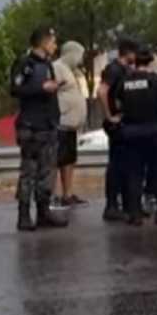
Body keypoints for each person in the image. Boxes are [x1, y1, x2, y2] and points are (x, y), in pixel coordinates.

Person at [9, 26, 69, 231]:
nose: (55, 45)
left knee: (47, 172)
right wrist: (41, 88)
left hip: (48, 125)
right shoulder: (25, 64)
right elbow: (15, 88)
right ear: (43, 42)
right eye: (52, 41)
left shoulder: (47, 64)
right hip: (31, 127)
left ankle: (44, 212)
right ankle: (24, 214)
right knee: (29, 171)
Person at [111, 49, 157, 226]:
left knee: (134, 174)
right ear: (150, 63)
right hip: (154, 131)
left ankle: (135, 213)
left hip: (131, 132)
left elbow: (117, 102)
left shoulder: (125, 81)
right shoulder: (155, 80)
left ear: (135, 62)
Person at [97, 39, 138, 222]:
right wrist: (109, 115)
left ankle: (128, 204)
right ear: (127, 52)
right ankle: (112, 205)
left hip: (126, 122)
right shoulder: (114, 69)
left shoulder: (126, 70)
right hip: (117, 123)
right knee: (117, 165)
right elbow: (102, 91)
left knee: (127, 164)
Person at [52, 41, 88, 208]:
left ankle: (68, 194)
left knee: (69, 160)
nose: (81, 59)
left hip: (71, 126)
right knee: (57, 160)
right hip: (61, 123)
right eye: (79, 54)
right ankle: (51, 195)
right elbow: (51, 91)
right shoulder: (57, 67)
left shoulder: (73, 70)